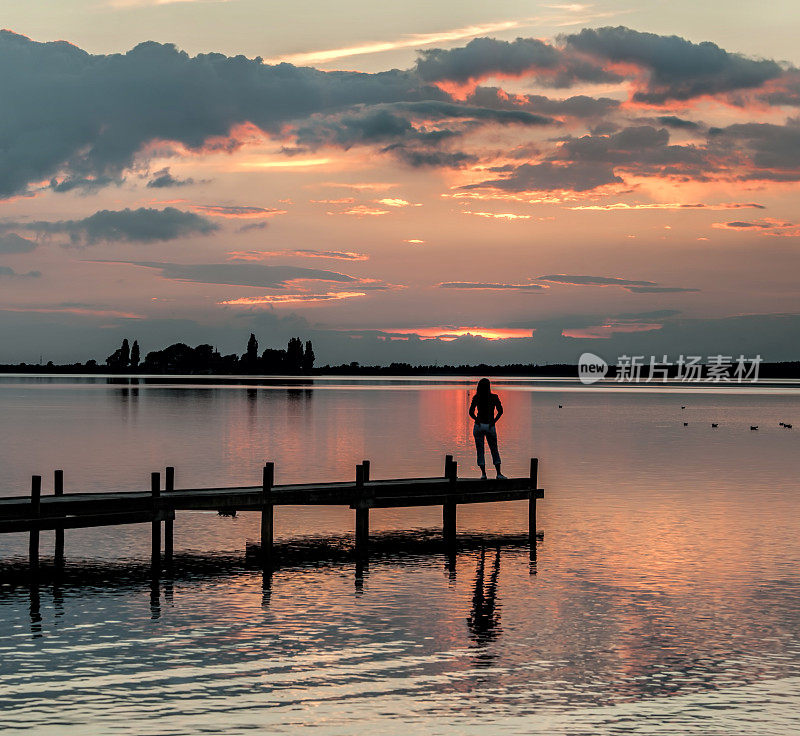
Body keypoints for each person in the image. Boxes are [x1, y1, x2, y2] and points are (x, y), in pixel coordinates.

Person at [469, 378, 505, 479]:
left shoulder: (476, 397)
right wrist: (494, 421)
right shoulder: (494, 397)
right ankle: (498, 474)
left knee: (480, 450)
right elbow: (500, 411)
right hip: (490, 425)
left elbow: (471, 412)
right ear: (489, 386)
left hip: (479, 426)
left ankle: (483, 474)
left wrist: (477, 420)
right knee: (494, 449)